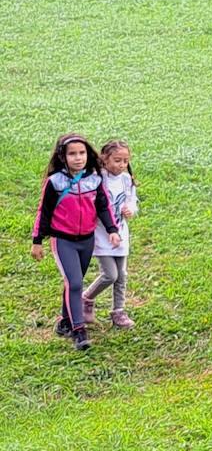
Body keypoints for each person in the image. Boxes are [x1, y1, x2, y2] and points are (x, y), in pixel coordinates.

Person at [31, 135, 121, 351]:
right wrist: (37, 241)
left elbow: (103, 206)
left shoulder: (94, 178)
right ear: (63, 157)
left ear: (88, 154)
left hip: (86, 240)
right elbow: (44, 212)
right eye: (72, 154)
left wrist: (112, 230)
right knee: (75, 283)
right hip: (64, 241)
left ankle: (64, 320)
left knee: (74, 281)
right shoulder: (55, 182)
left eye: (81, 153)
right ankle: (79, 330)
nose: (78, 158)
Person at [82, 141, 139, 329]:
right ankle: (86, 298)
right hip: (102, 234)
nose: (122, 165)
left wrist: (130, 209)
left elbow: (132, 200)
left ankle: (118, 311)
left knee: (121, 275)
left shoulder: (126, 179)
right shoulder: (98, 179)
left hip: (121, 233)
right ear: (105, 159)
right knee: (110, 274)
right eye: (117, 160)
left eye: (125, 161)